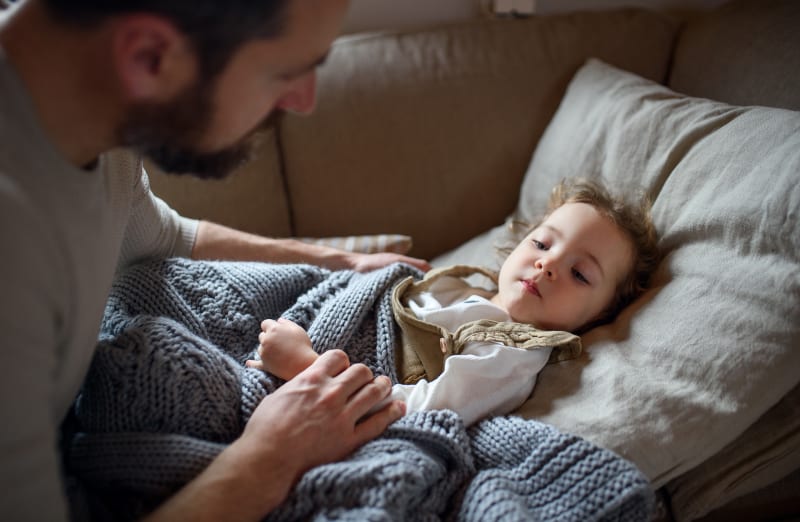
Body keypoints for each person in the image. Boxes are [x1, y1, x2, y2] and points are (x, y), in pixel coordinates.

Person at [0, 0, 432, 520]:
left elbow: (160, 234)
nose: (304, 101)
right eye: (285, 73)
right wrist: (273, 456)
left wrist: (340, 259)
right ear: (149, 57)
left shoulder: (89, 112)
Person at [247, 178, 660, 427]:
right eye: (542, 242)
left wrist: (306, 366)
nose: (548, 263)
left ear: (598, 317)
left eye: (580, 273)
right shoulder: (460, 287)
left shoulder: (511, 355)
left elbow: (419, 413)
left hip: (318, 379)